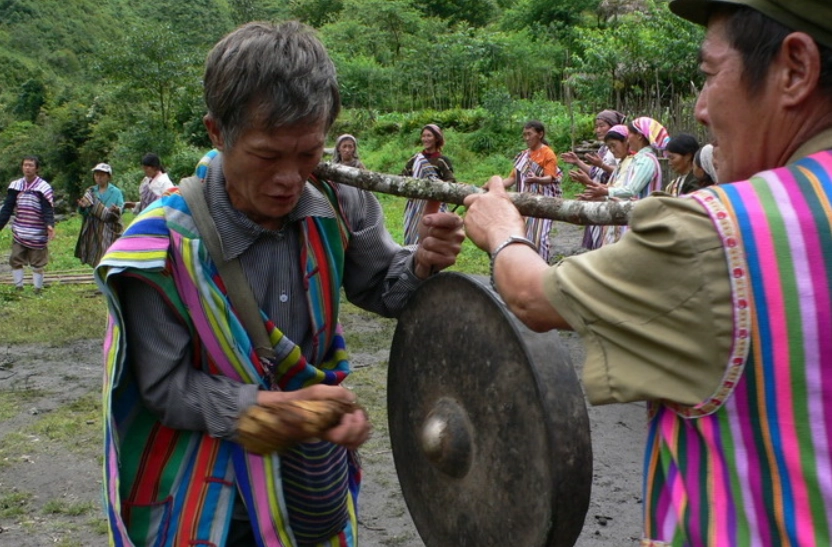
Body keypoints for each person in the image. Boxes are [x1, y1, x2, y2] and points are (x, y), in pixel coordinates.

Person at [463, 0, 832, 544]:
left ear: (795, 69)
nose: (701, 108)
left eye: (708, 75)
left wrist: (500, 229)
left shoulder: (720, 232)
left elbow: (531, 296)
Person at [95, 21, 463, 547]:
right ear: (218, 132)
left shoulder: (337, 201)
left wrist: (423, 262)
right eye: (268, 156)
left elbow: (382, 285)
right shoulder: (163, 246)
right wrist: (271, 412)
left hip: (313, 477)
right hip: (211, 497)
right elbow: (165, 386)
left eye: (308, 154)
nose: (291, 178)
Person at [562, 109, 627, 250]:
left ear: (613, 126)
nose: (598, 130)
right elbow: (595, 172)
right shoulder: (604, 149)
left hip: (610, 198)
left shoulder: (618, 149)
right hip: (598, 196)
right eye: (596, 126)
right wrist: (577, 162)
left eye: (602, 126)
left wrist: (601, 165)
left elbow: (621, 172)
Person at [499, 120, 561, 262]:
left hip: (543, 202)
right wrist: (493, 186)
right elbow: (512, 179)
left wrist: (537, 179)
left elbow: (550, 178)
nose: (526, 138)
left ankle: (542, 268)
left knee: (540, 238)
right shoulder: (524, 156)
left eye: (529, 134)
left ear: (540, 134)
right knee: (523, 236)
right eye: (524, 135)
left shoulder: (548, 153)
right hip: (524, 201)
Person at [571, 125, 636, 245]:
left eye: (614, 145)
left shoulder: (633, 163)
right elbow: (612, 187)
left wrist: (590, 183)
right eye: (609, 147)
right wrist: (589, 184)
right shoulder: (622, 162)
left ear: (626, 142)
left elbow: (621, 191)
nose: (612, 150)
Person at [0, 156, 54, 293]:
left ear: (37, 168)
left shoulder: (43, 188)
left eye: (31, 165)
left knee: (37, 262)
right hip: (20, 230)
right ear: (22, 167)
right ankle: (18, 287)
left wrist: (50, 225)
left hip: (37, 232)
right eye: (25, 165)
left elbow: (47, 209)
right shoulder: (15, 186)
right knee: (16, 259)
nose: (27, 168)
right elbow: (7, 208)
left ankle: (37, 289)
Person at [401, 123, 455, 245]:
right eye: (423, 136)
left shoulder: (442, 161)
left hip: (435, 206)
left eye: (429, 136)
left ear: (436, 138)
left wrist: (437, 186)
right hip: (415, 208)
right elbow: (402, 178)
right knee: (414, 237)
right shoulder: (415, 160)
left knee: (433, 239)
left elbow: (451, 182)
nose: (425, 139)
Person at [74, 163, 124, 267]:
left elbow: (121, 208)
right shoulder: (91, 191)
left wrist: (116, 210)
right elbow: (85, 212)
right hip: (95, 229)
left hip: (110, 228)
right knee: (96, 254)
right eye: (96, 175)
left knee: (110, 254)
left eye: (102, 175)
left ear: (108, 176)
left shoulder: (116, 192)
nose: (99, 177)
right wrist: (83, 207)